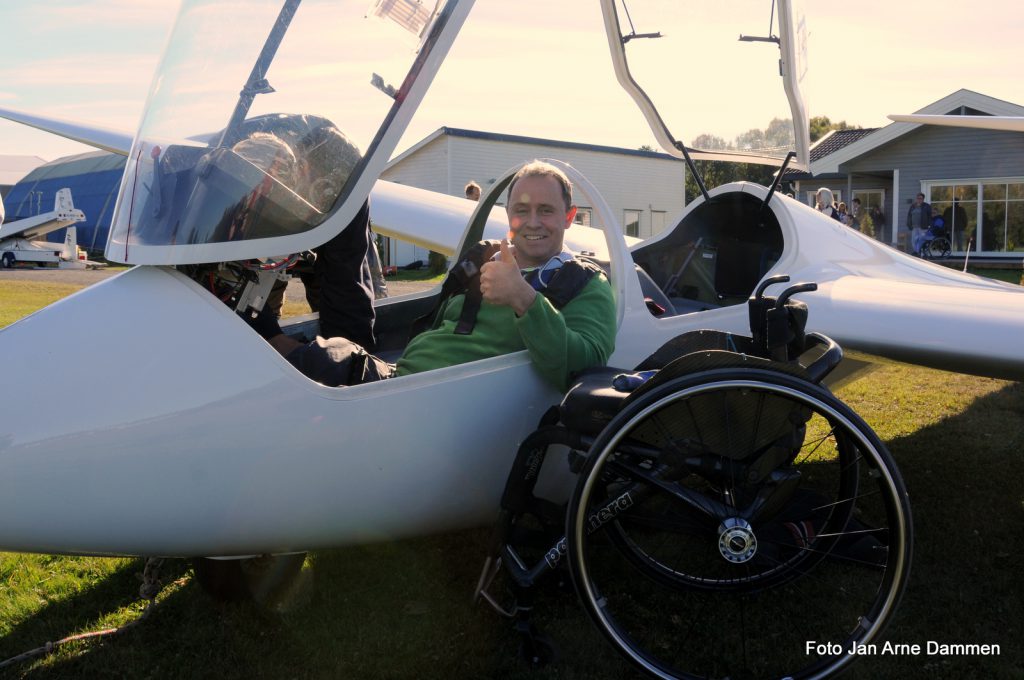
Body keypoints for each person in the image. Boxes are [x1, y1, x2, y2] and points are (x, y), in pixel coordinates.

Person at [252, 160, 617, 392]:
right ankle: (254, 324)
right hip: (404, 383)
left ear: (570, 218)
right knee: (311, 350)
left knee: (320, 360)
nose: (533, 222)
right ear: (509, 214)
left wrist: (523, 298)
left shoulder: (584, 283)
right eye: (522, 210)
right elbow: (436, 325)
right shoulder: (484, 257)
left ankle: (260, 329)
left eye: (547, 211)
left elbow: (581, 370)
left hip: (427, 399)